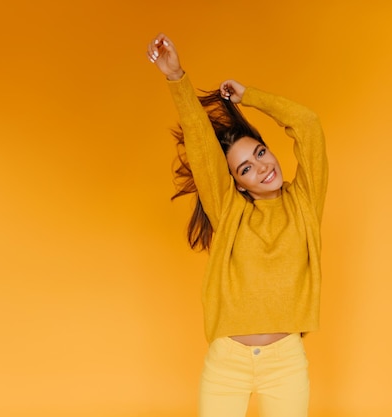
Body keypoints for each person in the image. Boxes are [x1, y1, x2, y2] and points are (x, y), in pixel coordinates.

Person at [147, 33, 328, 417]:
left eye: (261, 152)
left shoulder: (304, 203)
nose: (262, 167)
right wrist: (176, 77)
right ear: (236, 182)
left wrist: (252, 97)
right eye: (246, 167)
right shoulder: (230, 212)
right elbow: (200, 142)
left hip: (286, 365)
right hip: (227, 364)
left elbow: (308, 125)